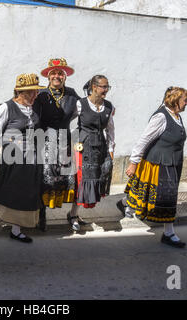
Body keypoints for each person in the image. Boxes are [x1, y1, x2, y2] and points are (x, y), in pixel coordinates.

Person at [117, 86, 187, 248]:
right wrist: (133, 162)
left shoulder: (176, 115)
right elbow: (144, 140)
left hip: (172, 163)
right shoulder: (161, 117)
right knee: (166, 199)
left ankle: (124, 202)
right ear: (175, 101)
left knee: (151, 196)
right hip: (158, 164)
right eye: (185, 99)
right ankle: (168, 234)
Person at [0, 73, 45, 243]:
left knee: (22, 195)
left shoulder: (33, 108)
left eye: (35, 92)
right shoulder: (7, 107)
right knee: (1, 191)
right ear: (19, 92)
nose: (34, 96)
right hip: (10, 159)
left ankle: (16, 230)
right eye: (30, 92)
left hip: (30, 160)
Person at [32, 58, 80, 231]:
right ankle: (41, 215)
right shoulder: (41, 94)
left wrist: (105, 108)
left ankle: (72, 214)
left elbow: (82, 110)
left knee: (64, 180)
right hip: (45, 142)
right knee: (44, 179)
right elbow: (33, 116)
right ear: (48, 76)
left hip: (65, 141)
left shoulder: (72, 94)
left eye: (60, 73)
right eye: (54, 73)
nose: (57, 76)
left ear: (65, 76)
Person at [68, 75, 115, 231]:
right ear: (94, 87)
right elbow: (66, 120)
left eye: (107, 87)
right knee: (81, 181)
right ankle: (73, 215)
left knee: (96, 178)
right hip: (83, 147)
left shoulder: (108, 106)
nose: (106, 90)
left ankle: (75, 213)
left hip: (99, 146)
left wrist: (111, 150)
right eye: (103, 86)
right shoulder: (80, 104)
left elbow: (110, 129)